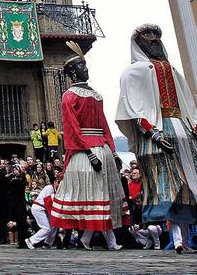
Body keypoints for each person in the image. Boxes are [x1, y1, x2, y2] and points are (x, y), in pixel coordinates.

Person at [116, 24, 197, 252]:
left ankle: (183, 241)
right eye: (148, 35)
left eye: (157, 35)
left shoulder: (173, 69)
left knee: (187, 187)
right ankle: (178, 240)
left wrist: (196, 128)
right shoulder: (133, 72)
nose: (154, 39)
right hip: (158, 134)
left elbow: (187, 103)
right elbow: (131, 106)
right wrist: (151, 131)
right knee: (168, 187)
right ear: (138, 42)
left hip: (183, 131)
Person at [50, 46, 125, 251]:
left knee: (101, 196)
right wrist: (88, 152)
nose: (86, 68)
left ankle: (88, 239)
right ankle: (50, 239)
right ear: (73, 72)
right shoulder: (69, 96)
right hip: (86, 152)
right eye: (81, 65)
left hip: (101, 148)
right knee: (94, 195)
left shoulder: (97, 95)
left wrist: (113, 149)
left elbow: (104, 124)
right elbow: (71, 128)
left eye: (85, 64)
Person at [26, 181, 57, 249]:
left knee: (54, 225)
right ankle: (30, 241)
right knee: (46, 228)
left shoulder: (56, 190)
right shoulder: (49, 188)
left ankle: (47, 243)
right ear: (55, 182)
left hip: (45, 209)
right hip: (38, 208)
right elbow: (48, 202)